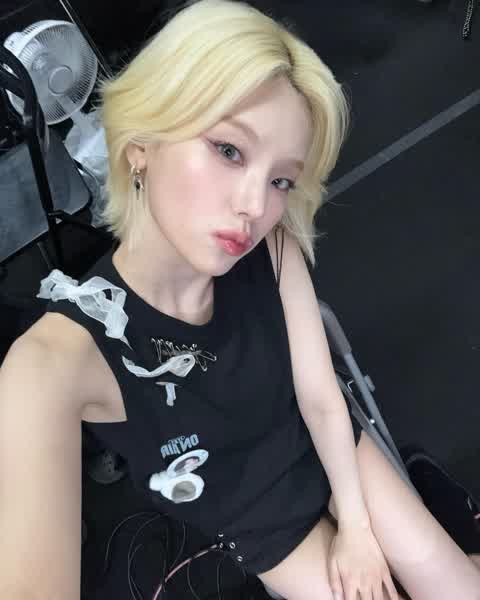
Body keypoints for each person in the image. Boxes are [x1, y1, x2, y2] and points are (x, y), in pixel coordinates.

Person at [0, 1, 479, 599]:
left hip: (334, 455)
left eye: (281, 180)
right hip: (267, 526)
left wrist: (357, 525)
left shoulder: (271, 250)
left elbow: (321, 399)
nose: (256, 206)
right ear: (142, 142)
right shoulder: (50, 366)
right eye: (229, 150)